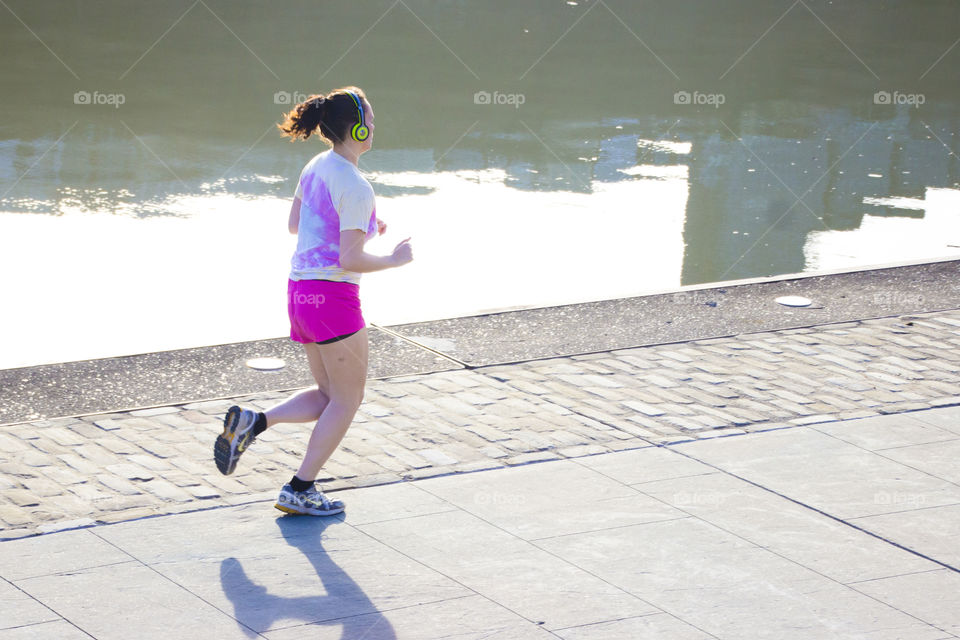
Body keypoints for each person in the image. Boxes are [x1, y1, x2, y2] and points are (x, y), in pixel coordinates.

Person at [213, 86, 413, 516]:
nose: (374, 127)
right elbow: (349, 258)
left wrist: (361, 228)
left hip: (299, 292)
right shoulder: (357, 185)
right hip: (335, 297)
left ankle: (255, 422)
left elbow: (294, 225)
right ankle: (300, 488)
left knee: (328, 393)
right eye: (371, 120)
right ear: (357, 127)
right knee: (348, 399)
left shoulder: (316, 166)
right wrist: (394, 260)